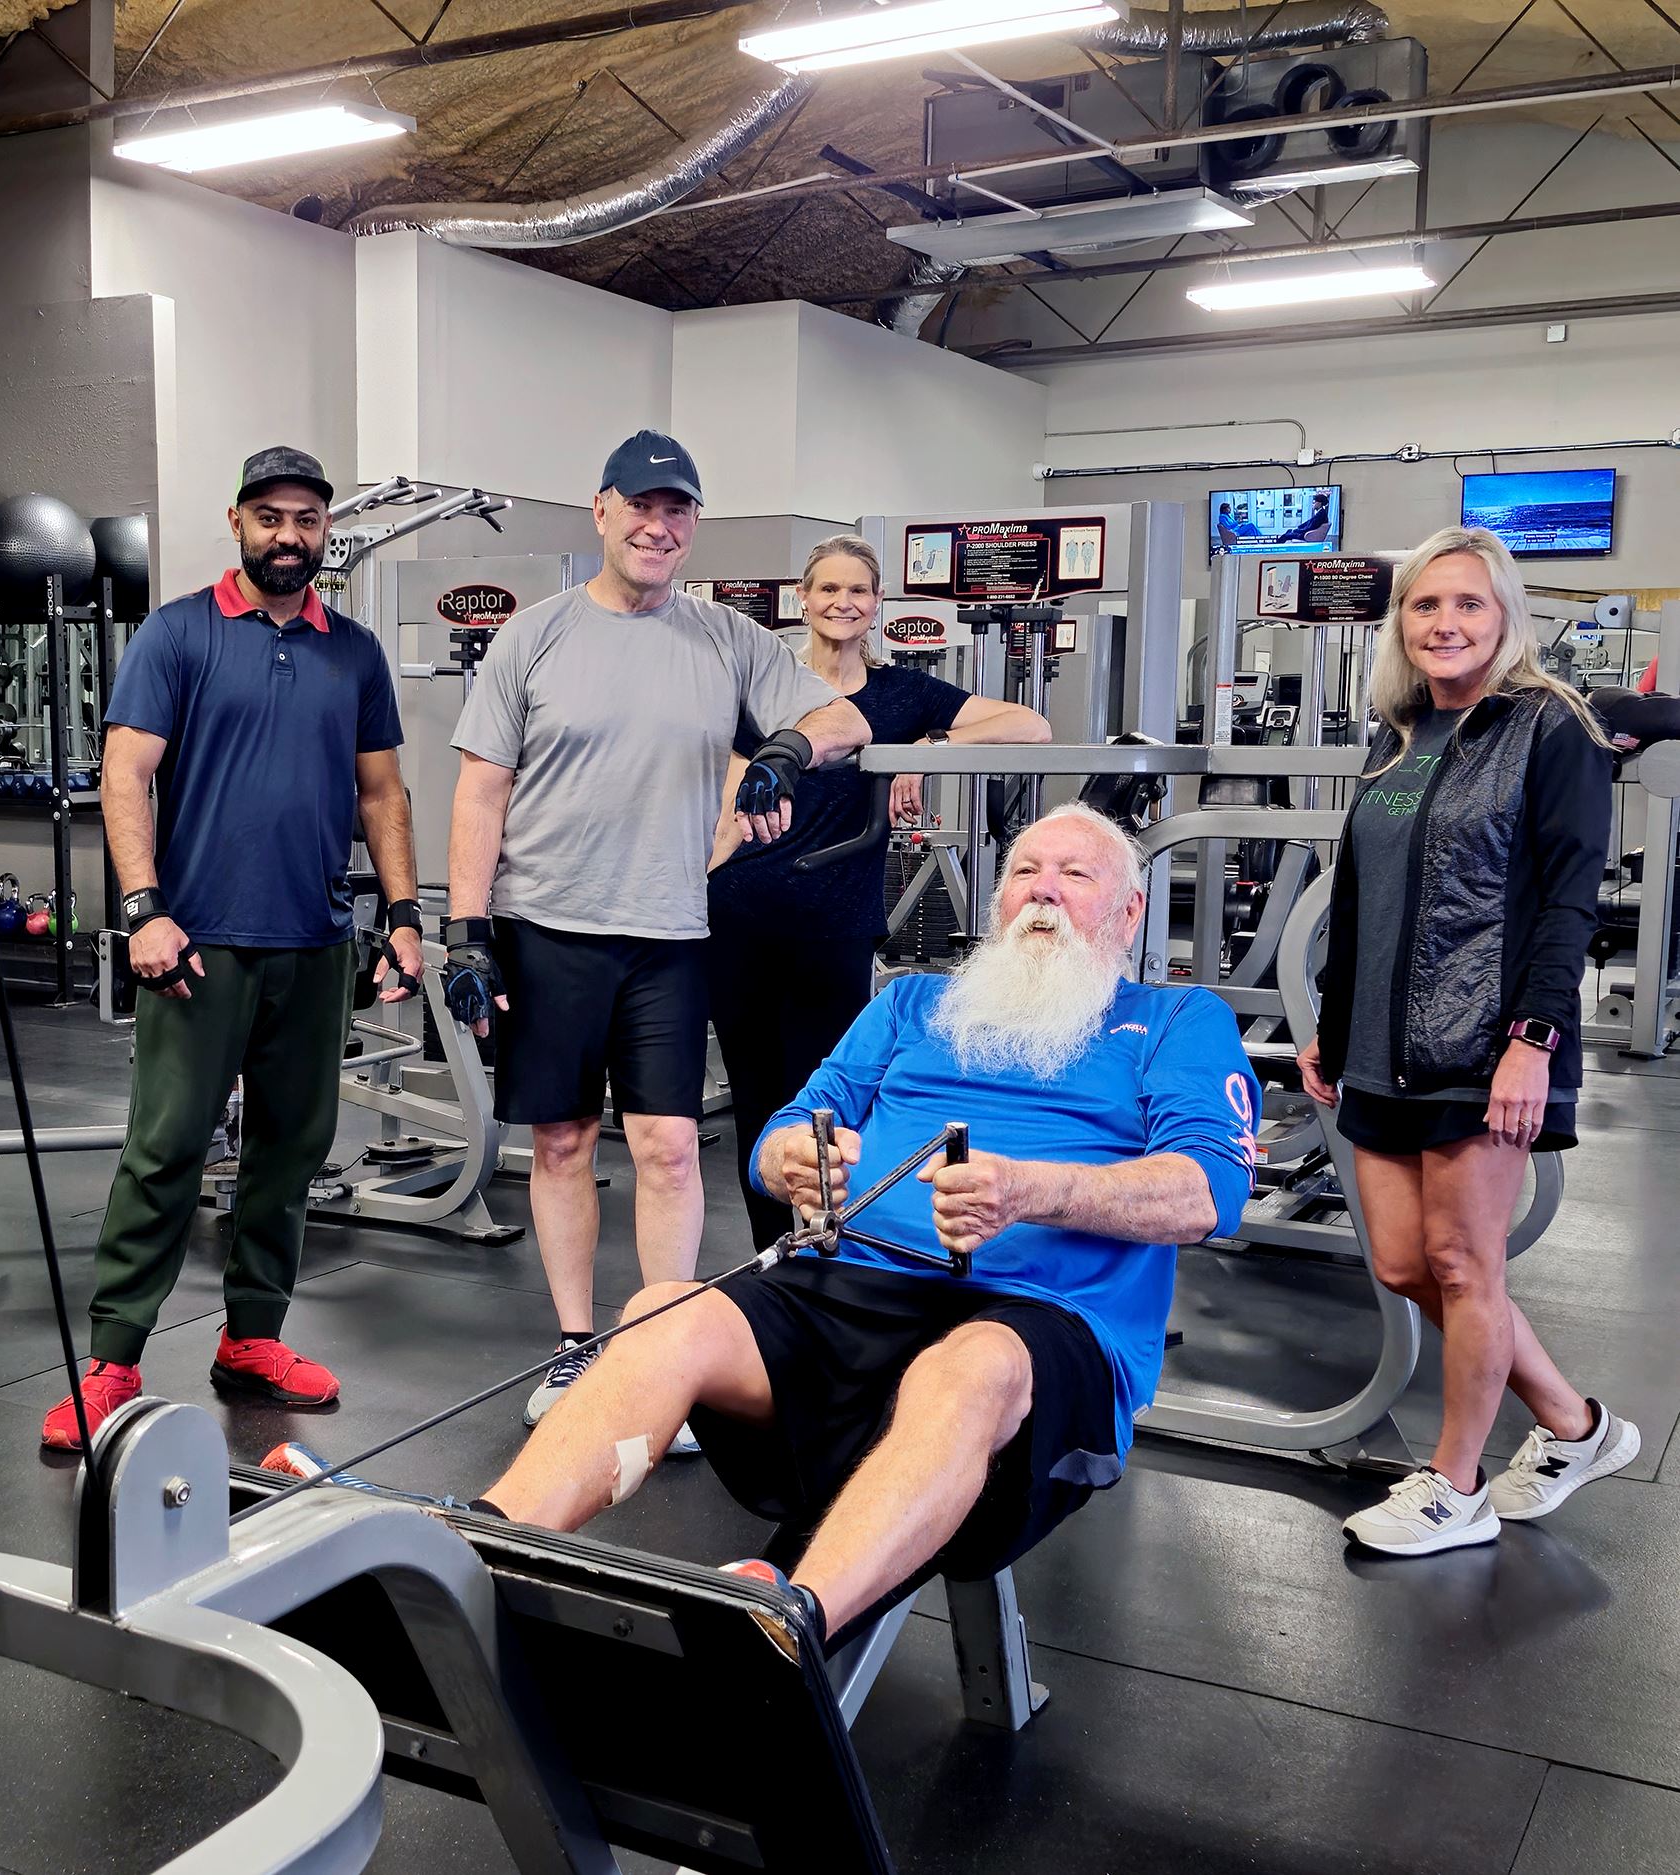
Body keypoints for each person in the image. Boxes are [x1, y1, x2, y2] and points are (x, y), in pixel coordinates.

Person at [460, 807, 1258, 1642]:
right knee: (663, 1313)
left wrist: (1029, 1191)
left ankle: (788, 1629)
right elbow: (792, 1122)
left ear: (1130, 913)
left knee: (971, 1367)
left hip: (1040, 1327)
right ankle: (476, 1550)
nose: (1043, 893)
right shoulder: (916, 1003)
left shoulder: (1177, 1020)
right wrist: (789, 1160)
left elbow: (1206, 1193)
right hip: (852, 1289)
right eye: (1025, 872)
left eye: (1075, 875)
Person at [441, 430, 874, 1441]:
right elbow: (479, 789)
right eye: (641, 506)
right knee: (561, 1142)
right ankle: (575, 1345)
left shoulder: (726, 640)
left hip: (672, 931)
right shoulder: (534, 636)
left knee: (671, 1147)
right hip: (546, 923)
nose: (657, 525)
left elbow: (843, 718)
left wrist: (781, 748)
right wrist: (464, 928)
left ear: (692, 528)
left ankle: (659, 1348)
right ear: (601, 513)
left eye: (676, 511)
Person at [42, 447, 425, 1450]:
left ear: (324, 530)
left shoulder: (353, 651)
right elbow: (125, 775)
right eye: (269, 517)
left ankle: (252, 1337)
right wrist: (142, 908)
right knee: (164, 1151)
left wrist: (404, 915)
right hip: (198, 942)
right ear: (237, 521)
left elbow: (382, 793)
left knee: (289, 1156)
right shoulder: (178, 635)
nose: (288, 535)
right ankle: (114, 1359)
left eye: (305, 518)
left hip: (312, 942)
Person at [1296, 525, 1637, 1554]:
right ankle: (1575, 1426)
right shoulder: (1394, 737)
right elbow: (1357, 899)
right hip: (1374, 1044)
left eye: (1467, 604)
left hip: (1483, 1044)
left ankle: (1454, 1486)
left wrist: (1532, 1038)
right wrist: (1326, 1025)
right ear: (1402, 623)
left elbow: (1568, 903)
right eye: (1424, 606)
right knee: (1404, 1263)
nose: (1444, 624)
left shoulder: (1550, 728)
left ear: (1504, 617)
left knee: (1461, 1260)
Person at [707, 533, 1049, 1248]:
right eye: (828, 589)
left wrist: (921, 751)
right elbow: (730, 809)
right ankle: (771, 1251)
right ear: (803, 599)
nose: (842, 602)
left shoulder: (903, 694)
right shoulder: (767, 690)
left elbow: (1032, 723)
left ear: (876, 604)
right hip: (740, 917)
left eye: (857, 590)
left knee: (831, 1100)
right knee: (757, 1099)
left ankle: (830, 1242)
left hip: (834, 926)